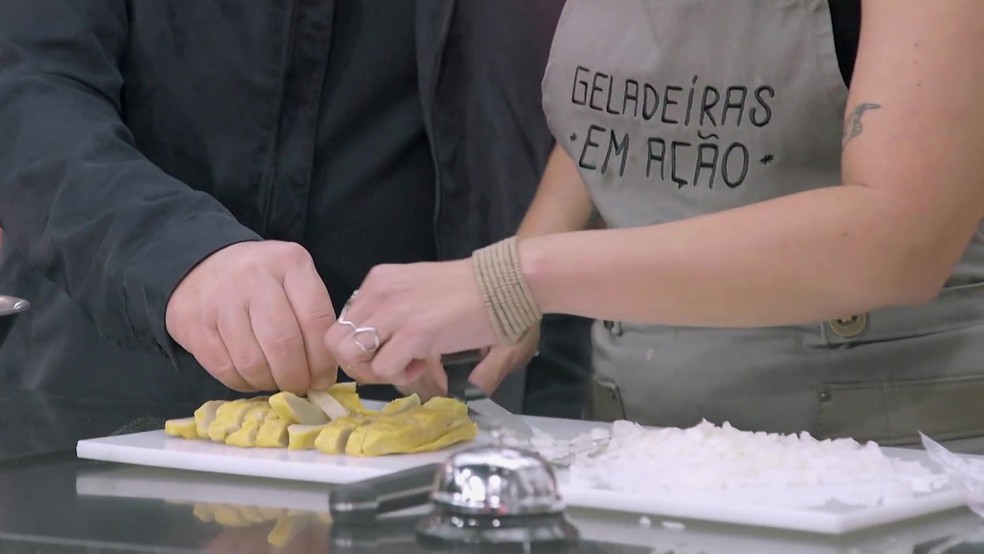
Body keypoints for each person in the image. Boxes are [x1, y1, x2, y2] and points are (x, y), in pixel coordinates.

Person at [325, 0, 984, 448]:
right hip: (651, 445)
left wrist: (516, 278)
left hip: (893, 464)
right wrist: (532, 248)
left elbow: (902, 236)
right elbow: (637, 103)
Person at [0, 0, 591, 418]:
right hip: (111, 404)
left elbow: (593, 101)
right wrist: (176, 254)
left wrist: (531, 291)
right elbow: (28, 93)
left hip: (450, 414)